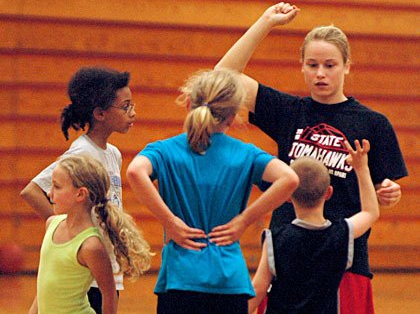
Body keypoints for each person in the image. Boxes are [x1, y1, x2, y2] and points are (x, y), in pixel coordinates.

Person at [215, 2, 408, 313]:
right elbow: (222, 77)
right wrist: (265, 22)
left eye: (330, 65)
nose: (321, 73)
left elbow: (384, 190)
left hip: (344, 258)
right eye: (313, 65)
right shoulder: (289, 111)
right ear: (302, 66)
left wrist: (390, 192)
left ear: (347, 66)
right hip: (288, 251)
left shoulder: (374, 124)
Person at [126, 69, 299, 314]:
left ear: (188, 104)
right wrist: (243, 220)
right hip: (229, 280)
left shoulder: (165, 150)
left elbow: (134, 172)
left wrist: (170, 222)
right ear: (232, 116)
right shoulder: (245, 154)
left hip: (180, 278)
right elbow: (290, 178)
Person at [20, 66, 138, 312]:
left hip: (108, 268)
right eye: (126, 107)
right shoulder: (82, 152)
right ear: (100, 113)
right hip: (86, 274)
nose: (133, 113)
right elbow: (32, 191)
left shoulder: (113, 154)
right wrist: (66, 231)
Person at [249, 139, 380, 313]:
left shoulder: (275, 239)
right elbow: (370, 212)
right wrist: (361, 168)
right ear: (329, 193)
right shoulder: (342, 234)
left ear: (287, 195)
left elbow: (257, 289)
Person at [28, 155, 152, 314]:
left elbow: (109, 293)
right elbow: (45, 286)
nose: (50, 194)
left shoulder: (91, 245)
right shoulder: (52, 223)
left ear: (80, 194)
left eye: (56, 187)